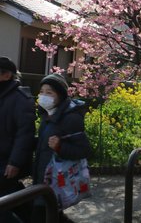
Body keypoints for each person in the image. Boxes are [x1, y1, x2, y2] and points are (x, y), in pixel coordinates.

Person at [32, 73, 92, 223]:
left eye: (49, 92)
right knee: (51, 215)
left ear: (60, 95)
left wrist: (60, 147)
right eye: (41, 92)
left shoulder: (70, 118)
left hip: (53, 179)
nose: (43, 96)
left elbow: (84, 150)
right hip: (44, 176)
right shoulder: (48, 115)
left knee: (42, 215)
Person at [0, 57, 35, 223]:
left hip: (7, 162)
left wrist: (15, 162)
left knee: (6, 203)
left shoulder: (20, 98)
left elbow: (25, 133)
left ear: (6, 75)